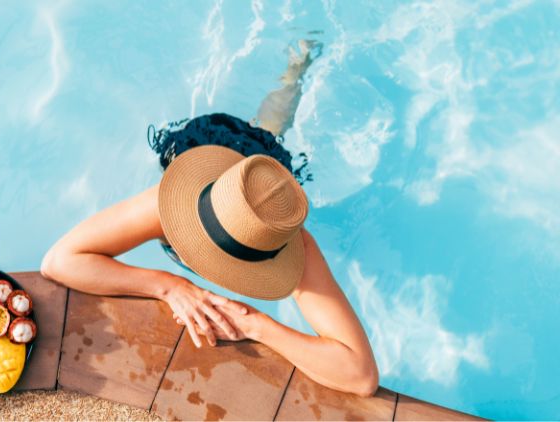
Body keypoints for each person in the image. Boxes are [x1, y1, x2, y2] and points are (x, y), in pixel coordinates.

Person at [41, 41, 379, 397]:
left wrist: (258, 325)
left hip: (257, 170)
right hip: (203, 152)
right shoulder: (168, 204)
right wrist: (168, 286)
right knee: (264, 126)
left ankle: (294, 74)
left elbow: (360, 375)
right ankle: (292, 73)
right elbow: (60, 261)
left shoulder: (288, 239)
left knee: (269, 130)